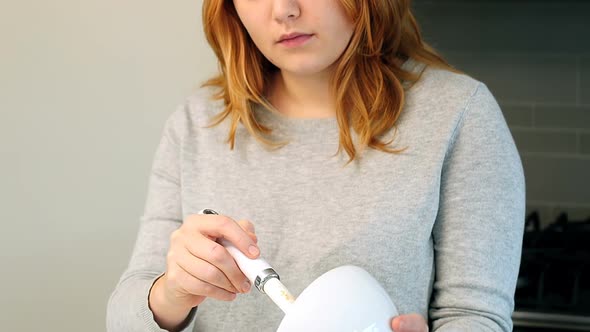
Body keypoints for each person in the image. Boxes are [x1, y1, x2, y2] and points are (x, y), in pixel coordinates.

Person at [107, 0, 525, 331]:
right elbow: (124, 320)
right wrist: (173, 292)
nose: (283, 10)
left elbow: (476, 316)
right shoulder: (198, 122)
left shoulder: (458, 114)